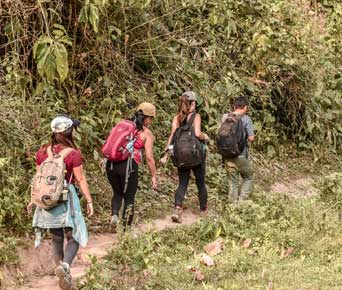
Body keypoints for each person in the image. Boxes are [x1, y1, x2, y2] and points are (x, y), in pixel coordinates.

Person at [27, 115, 93, 290]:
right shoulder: (73, 154)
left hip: (47, 199)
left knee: (57, 237)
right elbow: (80, 179)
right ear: (69, 132)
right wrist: (89, 200)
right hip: (66, 198)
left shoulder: (42, 152)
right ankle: (65, 266)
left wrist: (32, 200)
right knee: (74, 236)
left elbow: (39, 178)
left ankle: (60, 268)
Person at [105, 102, 158, 229]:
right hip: (129, 166)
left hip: (111, 164)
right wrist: (154, 176)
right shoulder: (146, 133)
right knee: (129, 197)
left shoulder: (123, 125)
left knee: (117, 193)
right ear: (148, 118)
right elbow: (149, 158)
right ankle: (126, 229)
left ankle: (114, 214)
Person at [160, 91, 209, 223]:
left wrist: (166, 154)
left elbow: (172, 137)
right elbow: (198, 134)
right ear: (192, 103)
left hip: (180, 155)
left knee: (182, 183)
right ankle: (203, 210)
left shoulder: (177, 118)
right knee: (200, 182)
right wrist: (206, 137)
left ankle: (177, 208)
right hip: (195, 155)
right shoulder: (196, 116)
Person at [222, 96, 255, 202]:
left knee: (233, 181)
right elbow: (251, 138)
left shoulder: (225, 117)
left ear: (234, 106)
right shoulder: (246, 119)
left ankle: (232, 207)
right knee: (248, 177)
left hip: (227, 154)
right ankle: (241, 201)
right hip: (241, 154)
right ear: (245, 107)